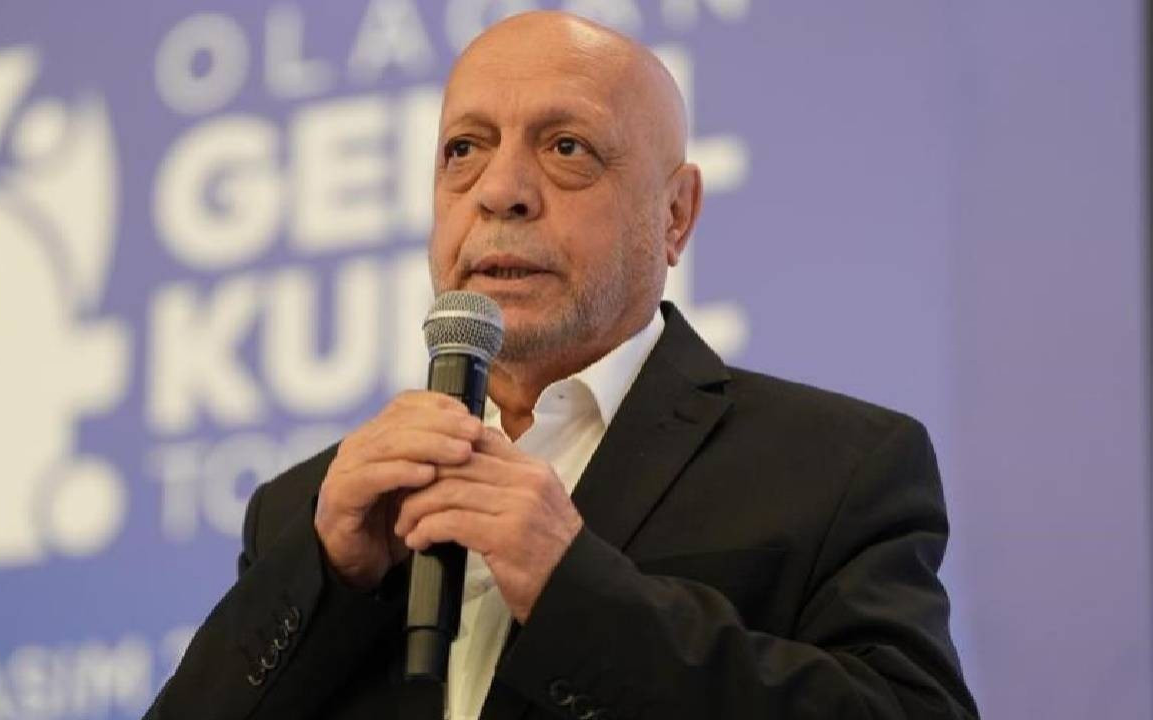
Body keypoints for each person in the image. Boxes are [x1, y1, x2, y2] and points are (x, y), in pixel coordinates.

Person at [144, 10, 978, 720]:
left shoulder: (835, 469)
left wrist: (575, 590)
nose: (499, 190)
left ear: (676, 214)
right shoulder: (310, 509)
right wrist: (325, 575)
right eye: (464, 149)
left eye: (567, 147)